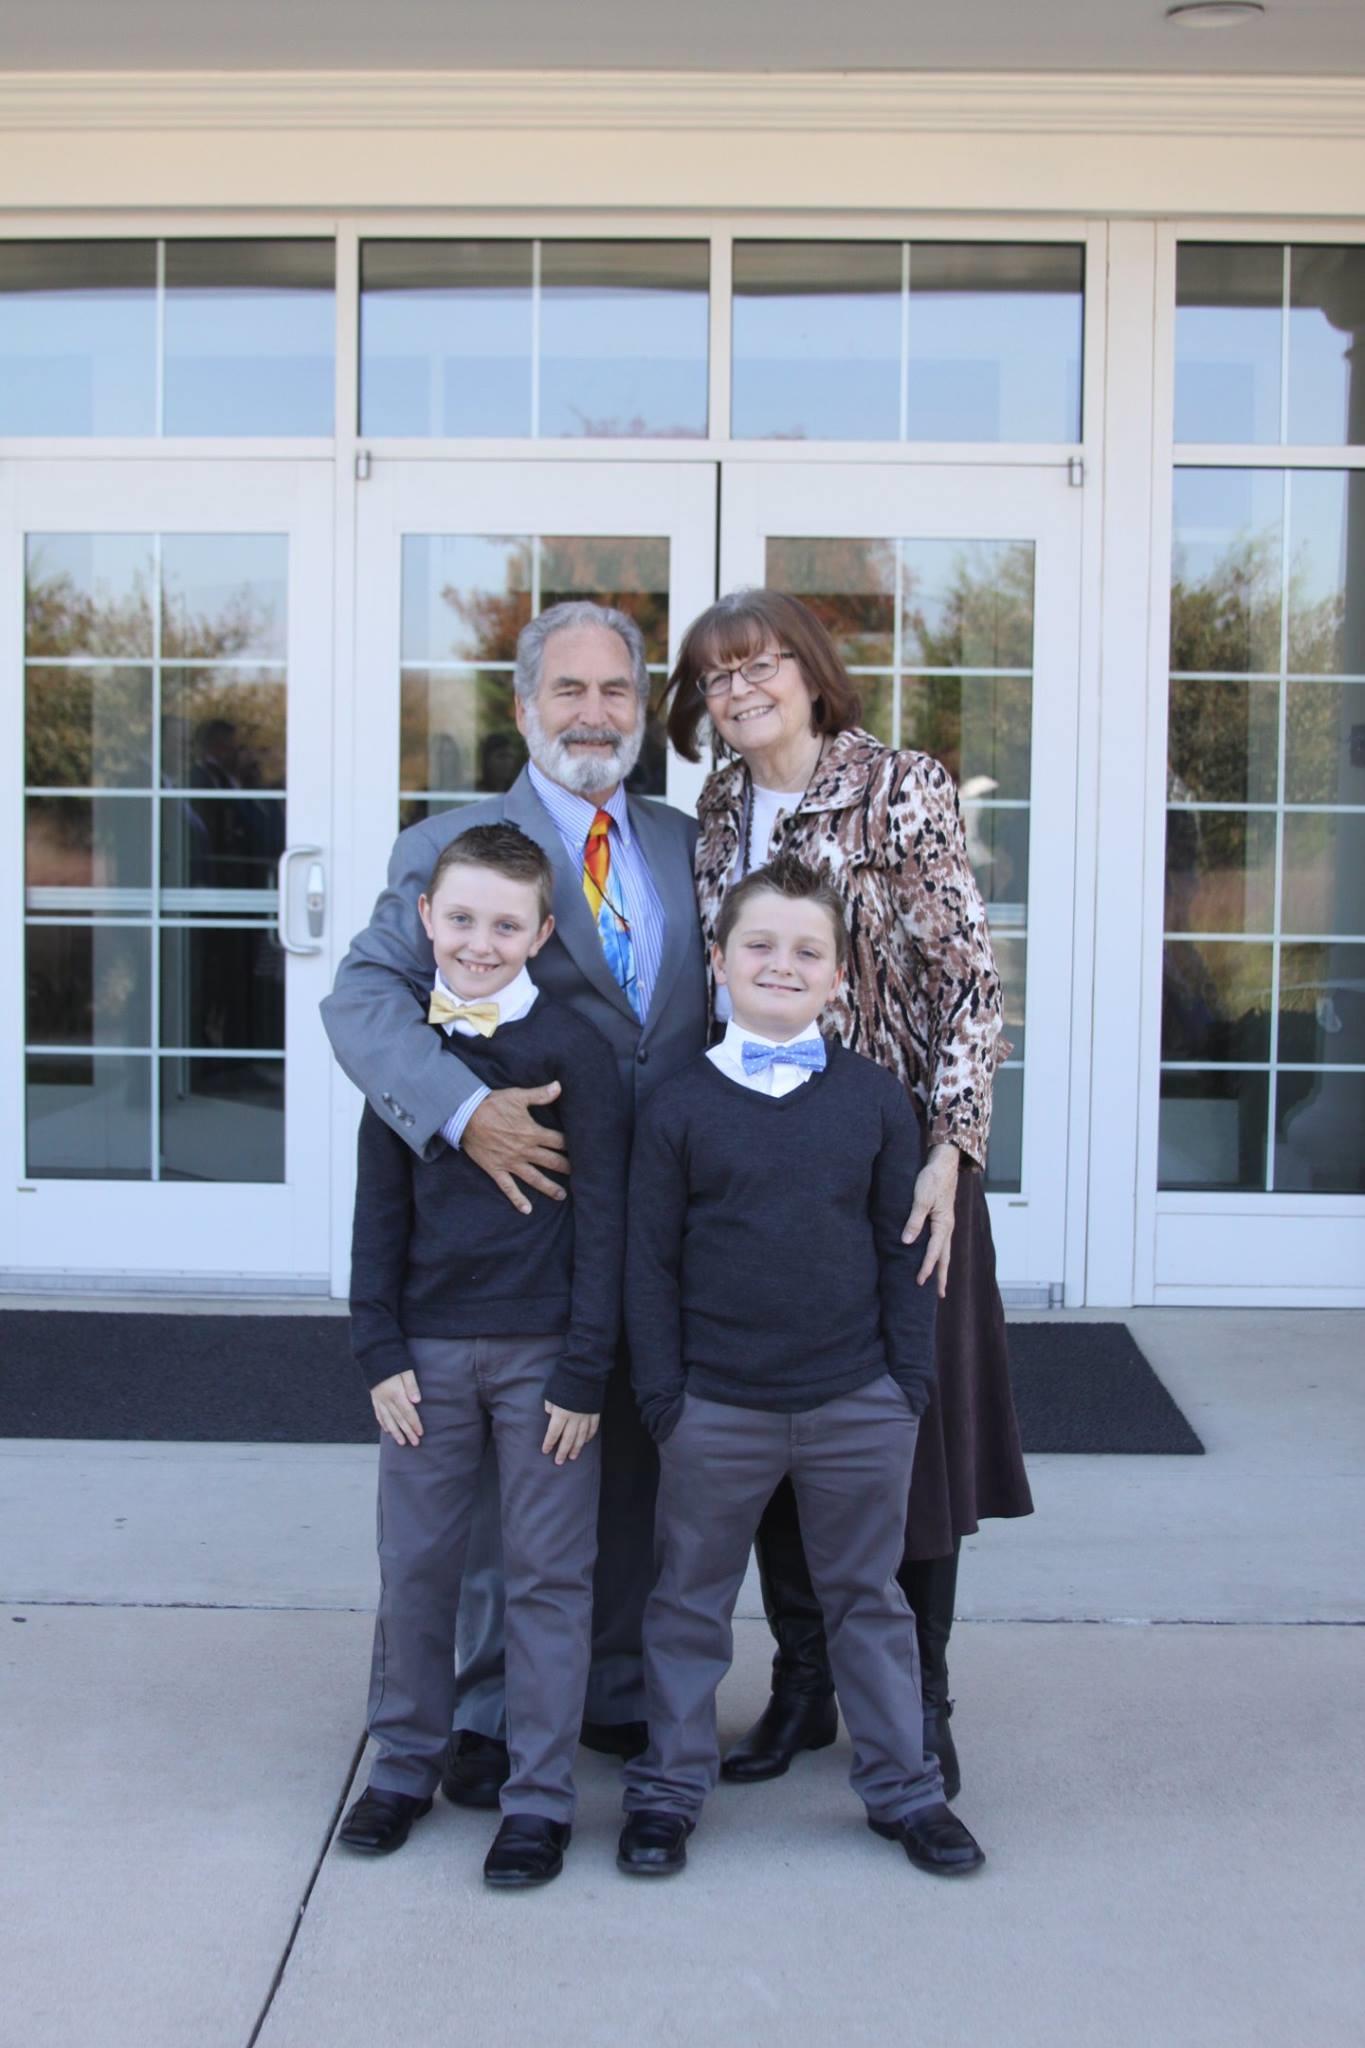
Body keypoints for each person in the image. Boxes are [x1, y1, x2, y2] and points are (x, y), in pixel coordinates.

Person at [322, 600, 708, 1808]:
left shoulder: (690, 839)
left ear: (643, 711)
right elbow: (363, 1000)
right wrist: (457, 1107)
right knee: (502, 1481)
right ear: (523, 704)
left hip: (667, 1214)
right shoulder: (451, 845)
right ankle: (483, 1712)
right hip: (513, 1219)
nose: (594, 713)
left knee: (633, 1449)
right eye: (570, 690)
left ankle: (609, 1689)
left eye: (617, 692)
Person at [659, 588, 1033, 1802]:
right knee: (772, 1407)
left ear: (815, 673)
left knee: (906, 1444)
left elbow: (974, 981)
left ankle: (916, 1698)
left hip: (893, 1166)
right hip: (756, 1159)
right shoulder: (715, 805)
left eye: (762, 664)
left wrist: (952, 1146)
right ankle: (807, 1683)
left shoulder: (897, 783)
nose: (740, 689)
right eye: (716, 675)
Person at [618, 857, 984, 1880]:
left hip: (854, 1400)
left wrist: (902, 1389)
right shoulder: (679, 1102)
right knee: (688, 1600)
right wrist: (665, 1396)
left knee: (867, 1597)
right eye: (760, 945)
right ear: (723, 964)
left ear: (840, 977)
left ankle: (906, 1791)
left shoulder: (874, 1102)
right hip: (715, 1404)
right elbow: (648, 1262)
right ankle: (667, 1789)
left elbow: (902, 1248)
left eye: (807, 950)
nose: (783, 963)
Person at [339, 825, 627, 1885]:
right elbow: (378, 1214)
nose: (478, 940)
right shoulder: (407, 1051)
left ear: (542, 932)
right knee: (417, 1564)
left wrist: (587, 1366)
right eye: (459, 918)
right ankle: (403, 1765)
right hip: (422, 1354)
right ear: (425, 919)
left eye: (505, 923)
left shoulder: (577, 1052)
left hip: (545, 1357)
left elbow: (604, 1220)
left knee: (550, 1576)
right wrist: (377, 1345)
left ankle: (539, 1797)